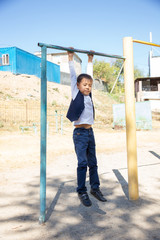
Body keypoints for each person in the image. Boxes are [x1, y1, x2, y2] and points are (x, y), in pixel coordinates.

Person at [66, 49, 107, 207]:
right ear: (78, 86)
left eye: (89, 85)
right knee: (82, 163)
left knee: (93, 163)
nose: (88, 87)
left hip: (90, 133)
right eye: (84, 85)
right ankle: (81, 190)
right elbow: (72, 76)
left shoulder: (89, 95)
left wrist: (90, 60)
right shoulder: (76, 93)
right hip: (80, 134)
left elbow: (88, 76)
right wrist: (70, 58)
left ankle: (95, 188)